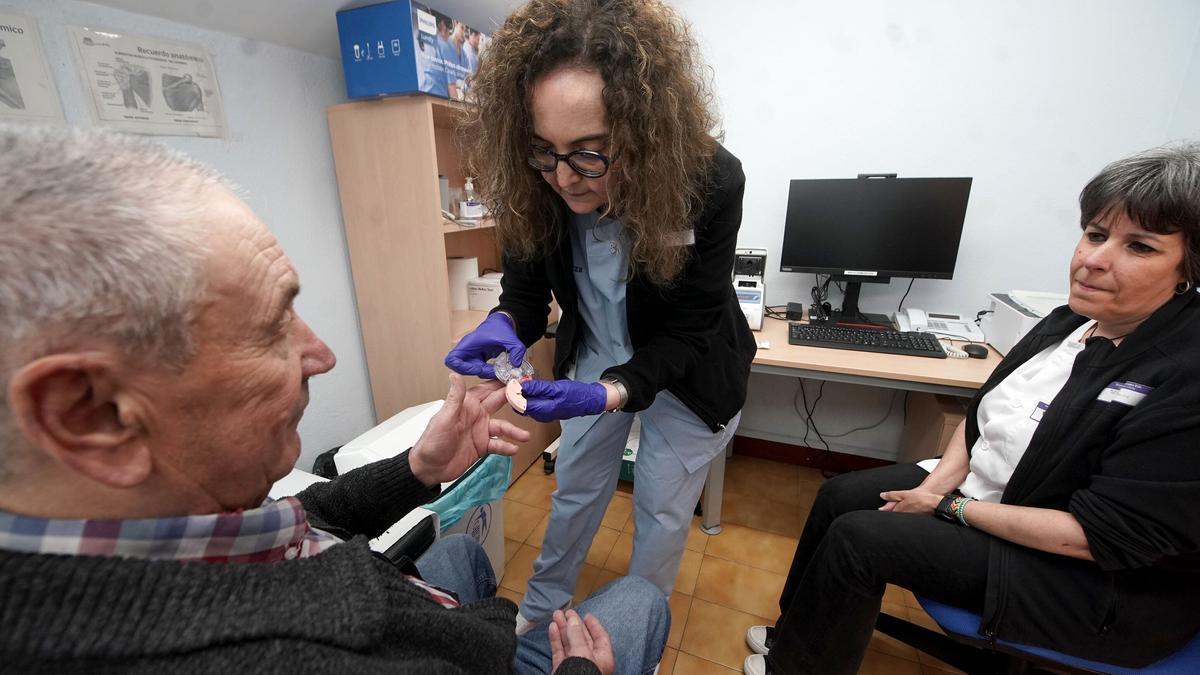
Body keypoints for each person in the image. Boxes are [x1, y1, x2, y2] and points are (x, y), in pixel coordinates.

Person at [0, 124, 670, 675]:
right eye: (270, 327)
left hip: (412, 605)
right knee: (638, 601)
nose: (322, 355)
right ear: (90, 415)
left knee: (464, 556)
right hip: (460, 640)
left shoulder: (130, 523)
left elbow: (286, 526)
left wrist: (419, 469)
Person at [743, 142, 1200, 674]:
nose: (1094, 260)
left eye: (1139, 247)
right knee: (839, 495)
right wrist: (938, 484)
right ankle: (797, 633)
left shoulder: (1182, 378)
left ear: (1188, 269)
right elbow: (984, 410)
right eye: (1096, 235)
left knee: (860, 539)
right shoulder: (1068, 321)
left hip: (1094, 583)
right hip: (993, 492)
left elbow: (1096, 539)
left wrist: (947, 507)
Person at [444, 0, 756, 635]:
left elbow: (694, 325)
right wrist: (504, 326)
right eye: (544, 151)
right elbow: (527, 295)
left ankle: (631, 634)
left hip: (685, 370)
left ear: (645, 135)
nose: (565, 178)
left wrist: (616, 390)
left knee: (662, 511)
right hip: (594, 353)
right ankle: (537, 611)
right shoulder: (537, 183)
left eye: (590, 153)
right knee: (576, 490)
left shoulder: (709, 180)